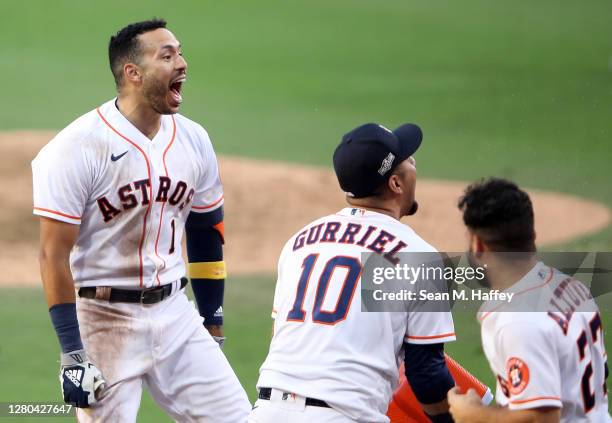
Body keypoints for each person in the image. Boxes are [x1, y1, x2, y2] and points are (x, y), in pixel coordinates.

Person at [32, 19, 250, 422]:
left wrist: (212, 319)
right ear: (132, 73)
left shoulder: (193, 139)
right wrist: (72, 353)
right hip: (104, 320)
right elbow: (52, 254)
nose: (182, 63)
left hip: (176, 313)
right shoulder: (76, 148)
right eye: (166, 56)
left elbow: (205, 231)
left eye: (180, 52)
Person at [249, 123, 457, 423]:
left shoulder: (299, 242)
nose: (415, 164)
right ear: (396, 184)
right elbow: (427, 374)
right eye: (409, 159)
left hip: (266, 411)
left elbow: (280, 336)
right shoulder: (419, 256)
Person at [448, 178, 610, 423]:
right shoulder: (569, 286)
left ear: (477, 244)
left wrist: (473, 415)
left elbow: (542, 419)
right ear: (532, 236)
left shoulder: (518, 322)